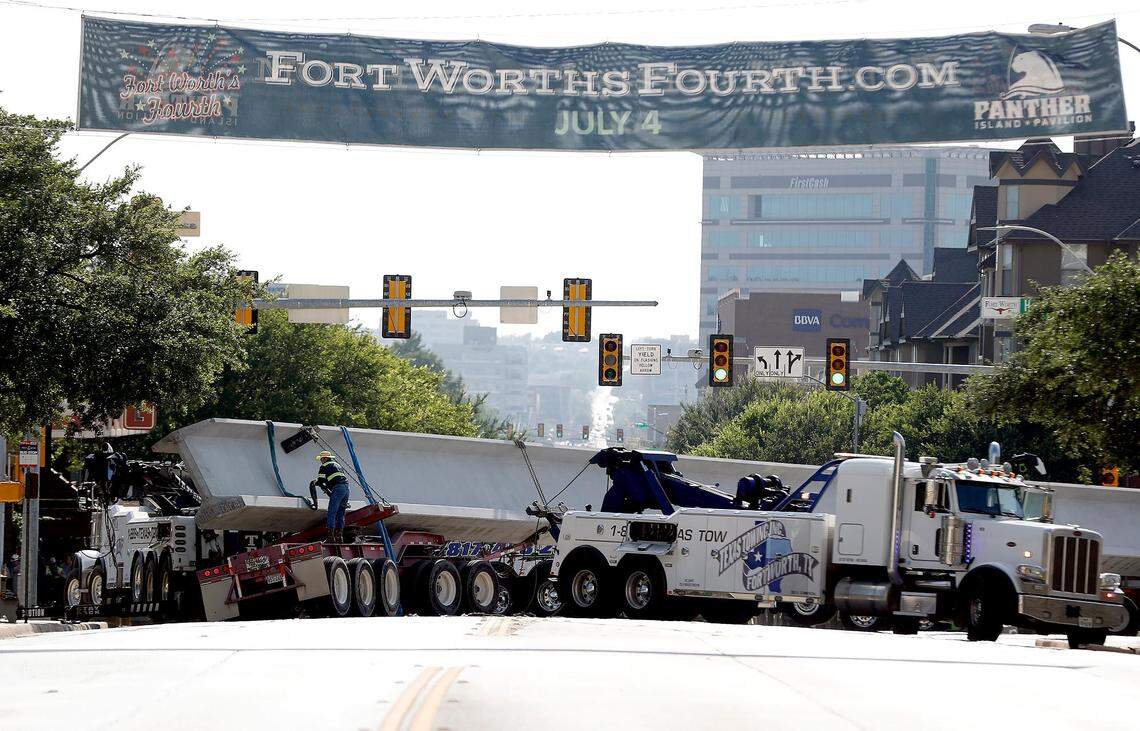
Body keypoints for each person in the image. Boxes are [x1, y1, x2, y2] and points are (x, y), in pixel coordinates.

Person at [313, 451, 350, 543]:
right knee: (341, 514)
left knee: (332, 512)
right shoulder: (338, 465)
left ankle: (330, 537)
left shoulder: (324, 466)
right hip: (346, 489)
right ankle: (339, 537)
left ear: (325, 458)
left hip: (337, 489)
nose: (321, 461)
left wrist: (316, 483)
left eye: (321, 459)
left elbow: (321, 480)